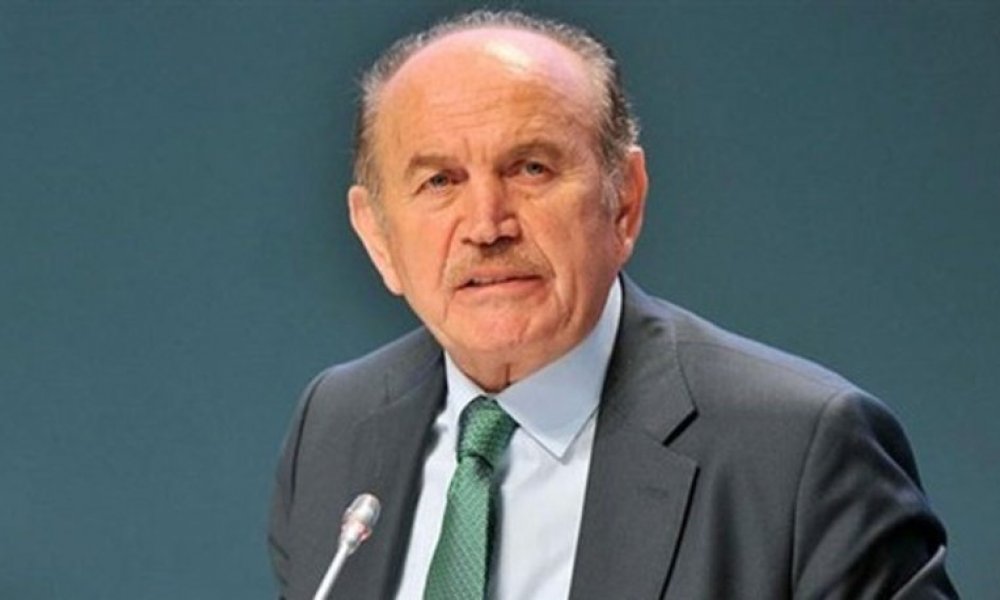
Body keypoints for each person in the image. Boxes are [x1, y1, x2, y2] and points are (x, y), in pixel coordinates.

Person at [268, 10, 956, 600]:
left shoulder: (802, 453)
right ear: (378, 237)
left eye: (531, 168)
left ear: (624, 201)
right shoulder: (335, 423)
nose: (486, 224)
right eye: (440, 181)